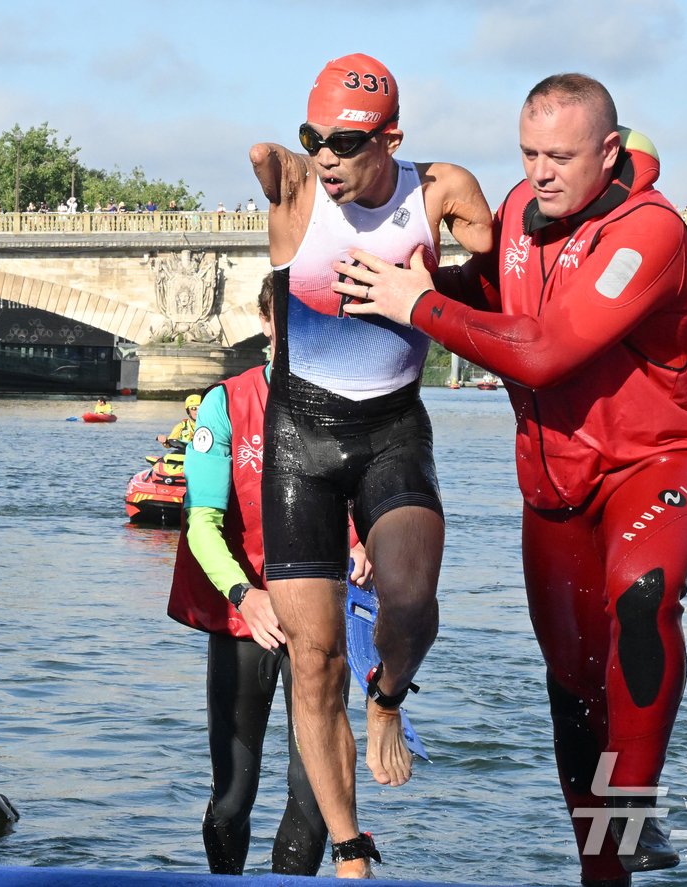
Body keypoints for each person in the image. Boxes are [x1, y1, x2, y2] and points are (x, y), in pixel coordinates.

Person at [333, 73, 687, 886]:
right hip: (555, 484)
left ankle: (636, 800)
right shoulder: (517, 209)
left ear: (610, 151)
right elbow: (484, 298)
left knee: (643, 590)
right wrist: (393, 282)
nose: (541, 172)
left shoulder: (647, 233)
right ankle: (603, 872)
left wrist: (415, 306)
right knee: (576, 684)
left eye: (561, 156)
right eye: (528, 153)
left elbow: (545, 350)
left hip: (661, 459)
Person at [248, 52, 492, 877]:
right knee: (312, 661)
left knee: (412, 600)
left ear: (392, 138)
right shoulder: (297, 188)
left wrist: (437, 281)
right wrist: (292, 157)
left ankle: (386, 696)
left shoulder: (440, 192)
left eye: (346, 144)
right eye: (314, 137)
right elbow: (271, 160)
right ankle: (349, 848)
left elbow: (503, 282)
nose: (326, 157)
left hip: (392, 429)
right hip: (300, 441)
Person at [167, 274, 370, 875]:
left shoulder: (351, 406)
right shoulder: (224, 405)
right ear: (266, 323)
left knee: (312, 799)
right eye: (287, 319)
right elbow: (200, 524)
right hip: (245, 619)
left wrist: (369, 546)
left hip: (319, 616)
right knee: (233, 798)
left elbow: (372, 502)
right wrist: (244, 596)